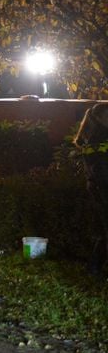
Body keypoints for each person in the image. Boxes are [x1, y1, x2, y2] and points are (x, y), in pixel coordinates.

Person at [74, 103, 108, 276]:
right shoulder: (99, 139)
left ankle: (94, 268)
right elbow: (100, 168)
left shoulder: (92, 138)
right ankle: (94, 268)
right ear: (100, 118)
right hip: (103, 187)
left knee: (104, 230)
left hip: (98, 186)